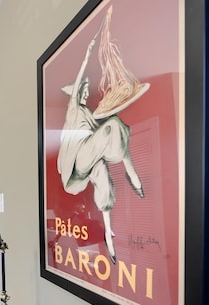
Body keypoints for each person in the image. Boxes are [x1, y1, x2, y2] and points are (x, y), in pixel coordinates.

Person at [57, 39, 144, 264]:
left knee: (103, 174)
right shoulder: (74, 110)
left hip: (90, 158)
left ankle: (108, 234)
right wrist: (86, 56)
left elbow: (101, 135)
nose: (85, 93)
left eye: (86, 89)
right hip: (79, 160)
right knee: (114, 125)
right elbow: (77, 87)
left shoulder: (88, 112)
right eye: (83, 90)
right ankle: (131, 172)